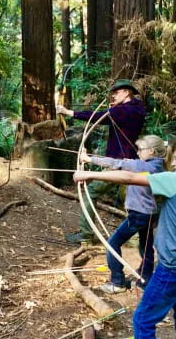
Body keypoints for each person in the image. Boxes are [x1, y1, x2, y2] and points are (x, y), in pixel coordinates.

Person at [73, 134, 176, 339]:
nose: (173, 165)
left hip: (173, 266)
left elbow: (131, 177)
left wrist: (89, 175)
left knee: (143, 319)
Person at [57, 79, 146, 243]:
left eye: (117, 92)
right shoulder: (137, 109)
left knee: (90, 192)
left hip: (119, 164)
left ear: (127, 92)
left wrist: (69, 112)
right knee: (131, 200)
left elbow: (97, 116)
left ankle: (86, 236)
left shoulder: (123, 111)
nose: (113, 95)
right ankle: (136, 240)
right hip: (131, 162)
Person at [80, 135, 168, 294]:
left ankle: (117, 282)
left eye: (141, 149)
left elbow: (117, 163)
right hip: (150, 214)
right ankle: (145, 279)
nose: (138, 152)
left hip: (139, 215)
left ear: (152, 151)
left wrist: (88, 159)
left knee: (112, 244)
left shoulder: (143, 166)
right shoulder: (157, 166)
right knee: (146, 246)